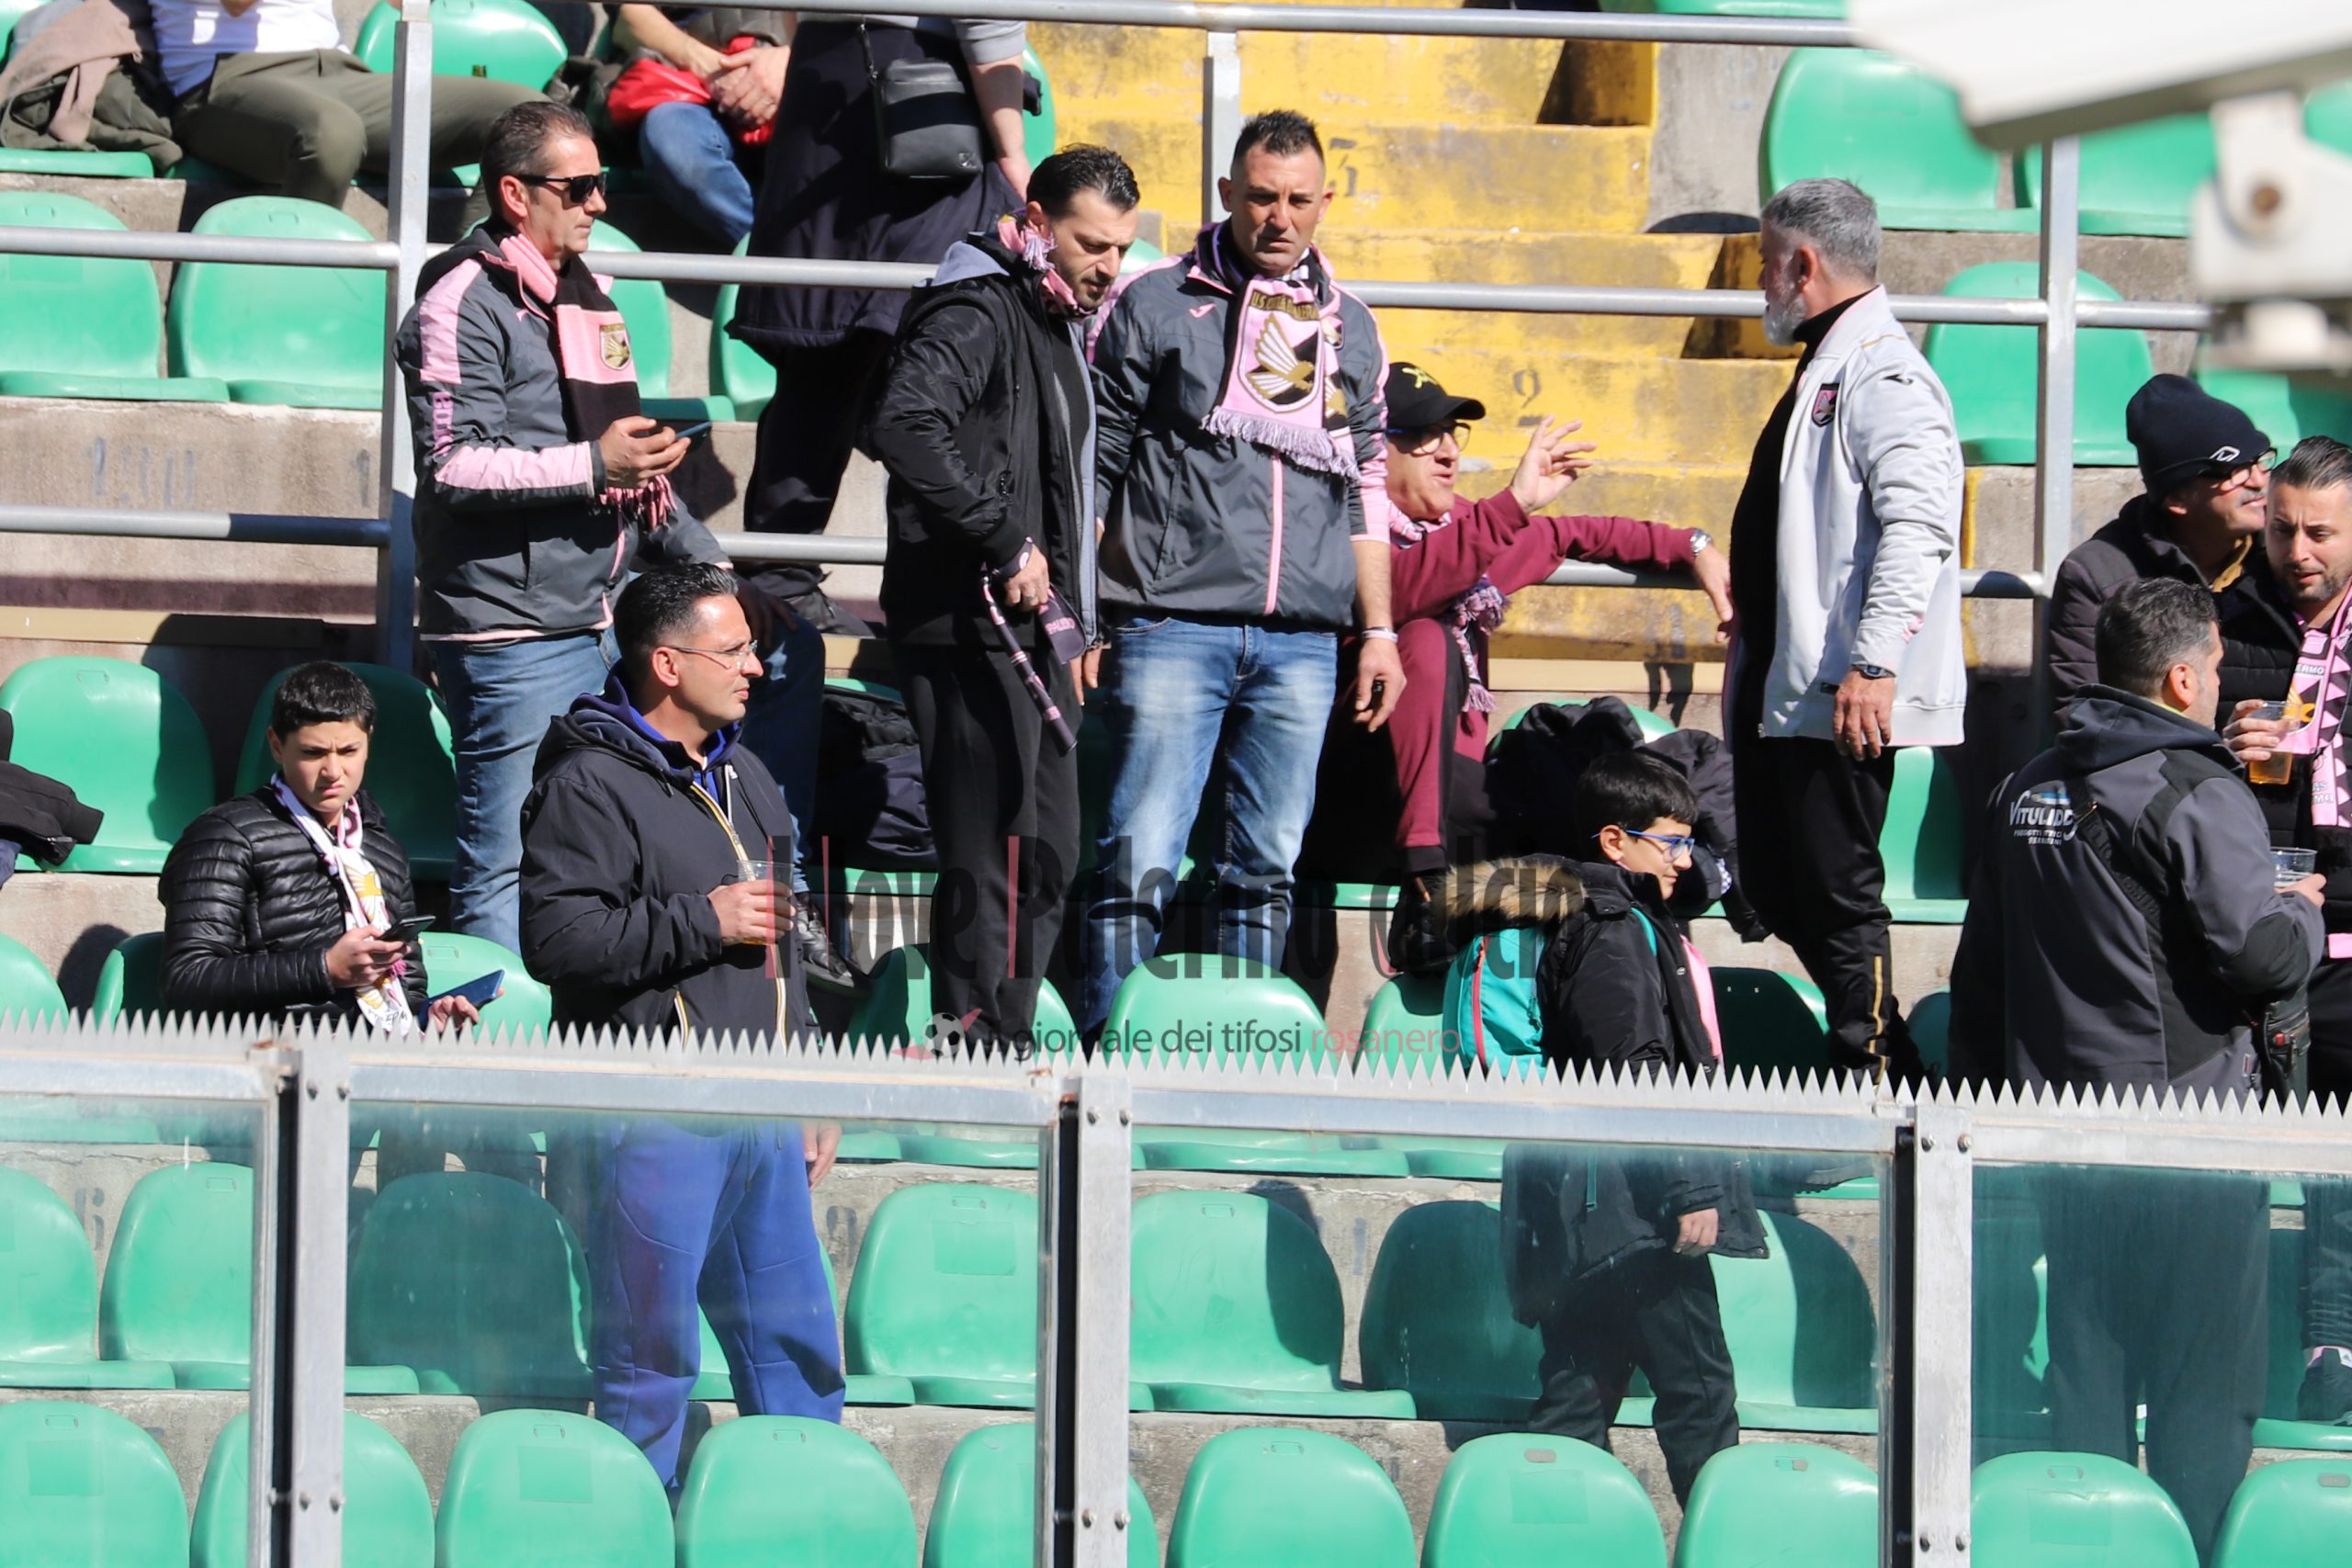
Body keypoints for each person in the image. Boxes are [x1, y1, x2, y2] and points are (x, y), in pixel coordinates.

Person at [1948, 578, 2323, 1561]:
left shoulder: (2024, 787)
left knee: (2090, 1382)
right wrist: (2305, 913)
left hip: (2059, 1143)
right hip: (2187, 1146)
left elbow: (1977, 980)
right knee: (2204, 1393)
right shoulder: (2196, 787)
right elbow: (2253, 952)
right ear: (2182, 674)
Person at [396, 99, 764, 958]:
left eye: (602, 185)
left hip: (601, 620)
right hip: (510, 632)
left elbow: (629, 466)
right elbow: (451, 466)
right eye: (583, 187)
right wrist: (593, 464)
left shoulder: (587, 298)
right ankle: (494, 1053)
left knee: (598, 851)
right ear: (515, 195)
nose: (601, 203)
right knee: (504, 858)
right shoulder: (458, 300)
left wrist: (714, 572)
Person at [1077, 108, 1403, 1032]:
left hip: (1302, 642)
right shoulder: (1152, 301)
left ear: (1324, 202)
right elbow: (1094, 467)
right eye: (1261, 197)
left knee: (1263, 869)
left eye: (1300, 199)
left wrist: (1376, 631)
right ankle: (1111, 1069)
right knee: (1139, 855)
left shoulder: (1351, 327)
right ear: (1227, 194)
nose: (1280, 217)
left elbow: (1364, 486)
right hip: (1171, 623)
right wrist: (1090, 615)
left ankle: (1231, 1066)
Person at [518, 562, 842, 1491]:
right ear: (667, 662)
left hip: (763, 1112)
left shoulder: (749, 776)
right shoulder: (588, 783)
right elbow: (559, 940)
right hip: (657, 1109)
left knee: (799, 1359)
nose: (755, 669)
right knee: (648, 1363)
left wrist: (812, 1079)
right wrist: (705, 919)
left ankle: (802, 1530)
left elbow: (787, 946)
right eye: (734, 650)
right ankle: (625, 1530)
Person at [1305, 360, 1735, 961]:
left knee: (1556, 782)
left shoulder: (1473, 537)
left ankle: (1680, 875)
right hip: (1351, 798)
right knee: (1426, 638)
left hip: (1451, 804)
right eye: (1425, 436)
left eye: (1455, 433)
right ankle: (1427, 885)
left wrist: (1694, 545)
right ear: (1377, 453)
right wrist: (1511, 504)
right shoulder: (1336, 536)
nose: (1449, 451)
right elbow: (1407, 587)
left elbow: (1576, 535)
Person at [860, 145, 1139, 1050]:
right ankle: (972, 1046)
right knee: (991, 858)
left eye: (1121, 250)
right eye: (1091, 244)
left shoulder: (1050, 316)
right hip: (966, 622)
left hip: (1030, 631)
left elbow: (1061, 488)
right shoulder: (977, 308)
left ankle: (997, 1038)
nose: (1107, 268)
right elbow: (902, 424)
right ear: (1035, 221)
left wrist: (1082, 622)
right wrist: (1000, 536)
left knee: (1045, 854)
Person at [1440, 754, 1761, 1506]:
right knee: (1701, 1397)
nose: (1686, 860)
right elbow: (1636, 1070)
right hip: (1639, 1211)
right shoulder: (1614, 928)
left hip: (1581, 1211)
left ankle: (1540, 1538)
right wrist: (1689, 1185)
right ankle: (1731, 1550)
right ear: (1616, 841)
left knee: (1576, 1400)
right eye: (1672, 842)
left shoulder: (1584, 916)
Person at [1726, 177, 1965, 1083]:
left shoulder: (1886, 375)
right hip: (1793, 680)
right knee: (1779, 888)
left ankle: (1869, 1067)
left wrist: (1873, 662)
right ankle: (1882, 1046)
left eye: (1762, 263)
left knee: (1836, 889)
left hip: (1844, 694)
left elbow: (1920, 526)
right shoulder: (1830, 361)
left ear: (1802, 263)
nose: (1759, 284)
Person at [728, 10, 1035, 634]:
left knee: (828, 355)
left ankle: (781, 579)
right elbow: (990, 27)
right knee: (943, 350)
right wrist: (1015, 154)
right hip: (916, 109)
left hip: (829, 85)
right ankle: (948, 583)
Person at [2213, 435, 2352, 1424]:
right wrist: (2222, 747)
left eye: (2320, 533)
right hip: (2256, 934)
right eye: (2283, 527)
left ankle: (2332, 1350)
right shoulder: (2229, 618)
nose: (2296, 549)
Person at [158, 661, 476, 1033]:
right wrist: (325, 969)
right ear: (277, 745)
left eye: (348, 751)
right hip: (268, 1059)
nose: (333, 771)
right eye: (313, 753)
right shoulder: (224, 836)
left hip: (369, 1060)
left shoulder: (382, 847)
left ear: (368, 742)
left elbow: (407, 985)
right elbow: (187, 980)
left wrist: (429, 1019)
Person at [157, 0, 538, 221]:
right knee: (332, 133)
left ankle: (469, 294)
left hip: (335, 73)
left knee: (527, 116)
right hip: (224, 77)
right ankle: (292, 306)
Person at [2047, 376, 2279, 714]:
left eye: (2260, 460)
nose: (2259, 480)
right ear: (2177, 498)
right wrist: (2215, 754)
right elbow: (2084, 718)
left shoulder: (2288, 557)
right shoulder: (2096, 575)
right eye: (2233, 470)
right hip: (2157, 766)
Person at [606, 4, 791, 246]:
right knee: (671, 135)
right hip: (692, 87)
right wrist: (713, 67)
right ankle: (778, 254)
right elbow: (629, 18)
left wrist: (787, 59)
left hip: (802, 77)